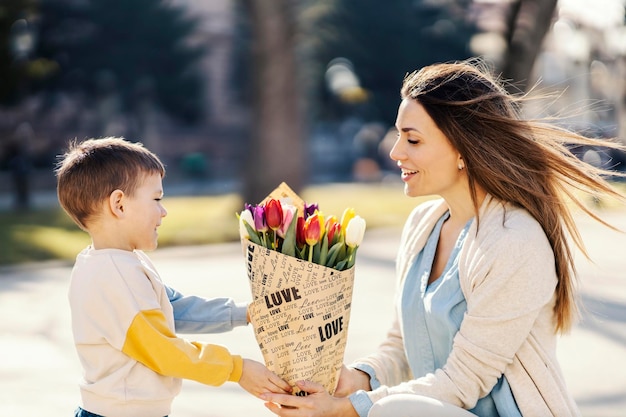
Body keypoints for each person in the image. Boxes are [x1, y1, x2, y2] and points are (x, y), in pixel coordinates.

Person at [260, 60, 626, 417]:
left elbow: (463, 383)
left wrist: (349, 410)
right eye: (399, 135)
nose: (395, 152)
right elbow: (403, 346)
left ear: (463, 149)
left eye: (413, 139)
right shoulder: (424, 224)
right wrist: (354, 380)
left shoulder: (514, 241)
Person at [55, 137, 291, 417]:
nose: (164, 211)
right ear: (119, 204)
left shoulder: (114, 262)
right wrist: (236, 368)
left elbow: (174, 309)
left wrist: (246, 313)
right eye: (156, 199)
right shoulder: (112, 275)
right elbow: (162, 350)